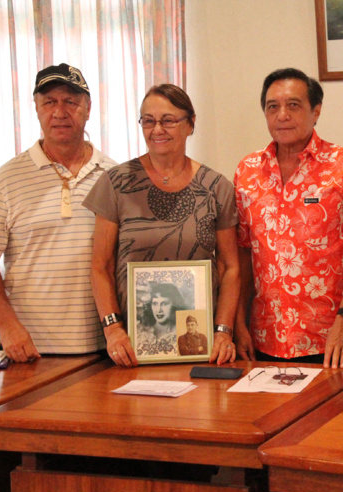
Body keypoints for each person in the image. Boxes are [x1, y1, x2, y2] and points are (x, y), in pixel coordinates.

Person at [0, 64, 116, 361]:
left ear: (88, 109)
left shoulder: (115, 177)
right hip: (28, 351)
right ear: (36, 108)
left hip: (106, 349)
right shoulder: (5, 180)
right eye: (49, 102)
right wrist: (7, 325)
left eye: (70, 102)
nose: (60, 112)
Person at [85, 84, 240, 368]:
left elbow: (229, 267)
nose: (157, 129)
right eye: (148, 121)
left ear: (190, 124)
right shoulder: (116, 183)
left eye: (168, 120)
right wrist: (112, 328)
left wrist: (223, 331)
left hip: (202, 346)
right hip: (129, 347)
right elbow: (100, 266)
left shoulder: (216, 188)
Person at [234, 68, 343, 368]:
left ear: (316, 111)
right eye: (273, 107)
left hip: (333, 338)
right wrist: (238, 323)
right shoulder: (248, 171)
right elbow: (243, 253)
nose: (282, 115)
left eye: (293, 105)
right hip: (264, 337)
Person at [136, 283, 183, 356]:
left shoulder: (181, 333)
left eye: (164, 304)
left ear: (174, 305)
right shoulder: (141, 332)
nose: (159, 310)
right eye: (155, 303)